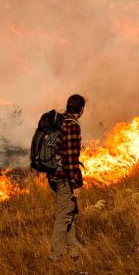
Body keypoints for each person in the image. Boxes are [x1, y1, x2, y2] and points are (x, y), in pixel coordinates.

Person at [49, 94, 85, 262]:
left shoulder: (61, 122)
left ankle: (74, 251)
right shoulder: (72, 126)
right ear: (81, 109)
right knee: (64, 215)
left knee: (71, 212)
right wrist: (76, 184)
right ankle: (54, 257)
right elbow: (70, 159)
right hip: (65, 178)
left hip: (56, 175)